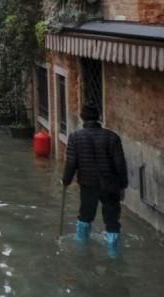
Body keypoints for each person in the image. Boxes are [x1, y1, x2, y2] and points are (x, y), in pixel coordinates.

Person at [62, 105, 129, 255]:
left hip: (88, 184)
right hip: (110, 184)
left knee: (85, 216)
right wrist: (123, 185)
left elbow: (71, 163)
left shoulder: (75, 137)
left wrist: (65, 181)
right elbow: (120, 164)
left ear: (82, 118)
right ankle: (113, 254)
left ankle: (82, 250)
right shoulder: (112, 137)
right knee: (112, 220)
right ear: (99, 117)